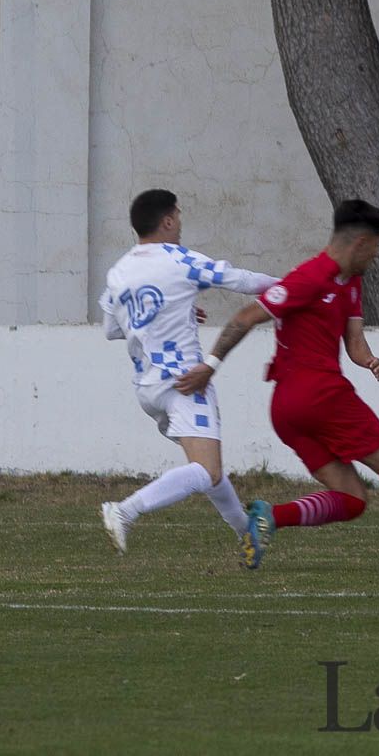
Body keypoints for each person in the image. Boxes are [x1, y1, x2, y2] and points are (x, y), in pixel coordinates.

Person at [175, 199, 379, 574]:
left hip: (288, 409)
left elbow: (353, 341)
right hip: (319, 394)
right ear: (361, 243)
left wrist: (367, 359)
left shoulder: (352, 281)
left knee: (353, 500)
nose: (378, 255)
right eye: (378, 246)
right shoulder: (309, 277)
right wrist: (210, 365)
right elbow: (244, 317)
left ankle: (271, 516)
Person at [98, 189, 279, 555]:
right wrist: (292, 286)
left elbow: (112, 329)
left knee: (205, 467)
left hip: (148, 387)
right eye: (178, 217)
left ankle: (247, 532)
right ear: (167, 221)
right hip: (184, 381)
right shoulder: (178, 259)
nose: (180, 224)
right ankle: (124, 511)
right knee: (207, 471)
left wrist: (171, 311)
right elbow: (238, 279)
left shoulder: (119, 271)